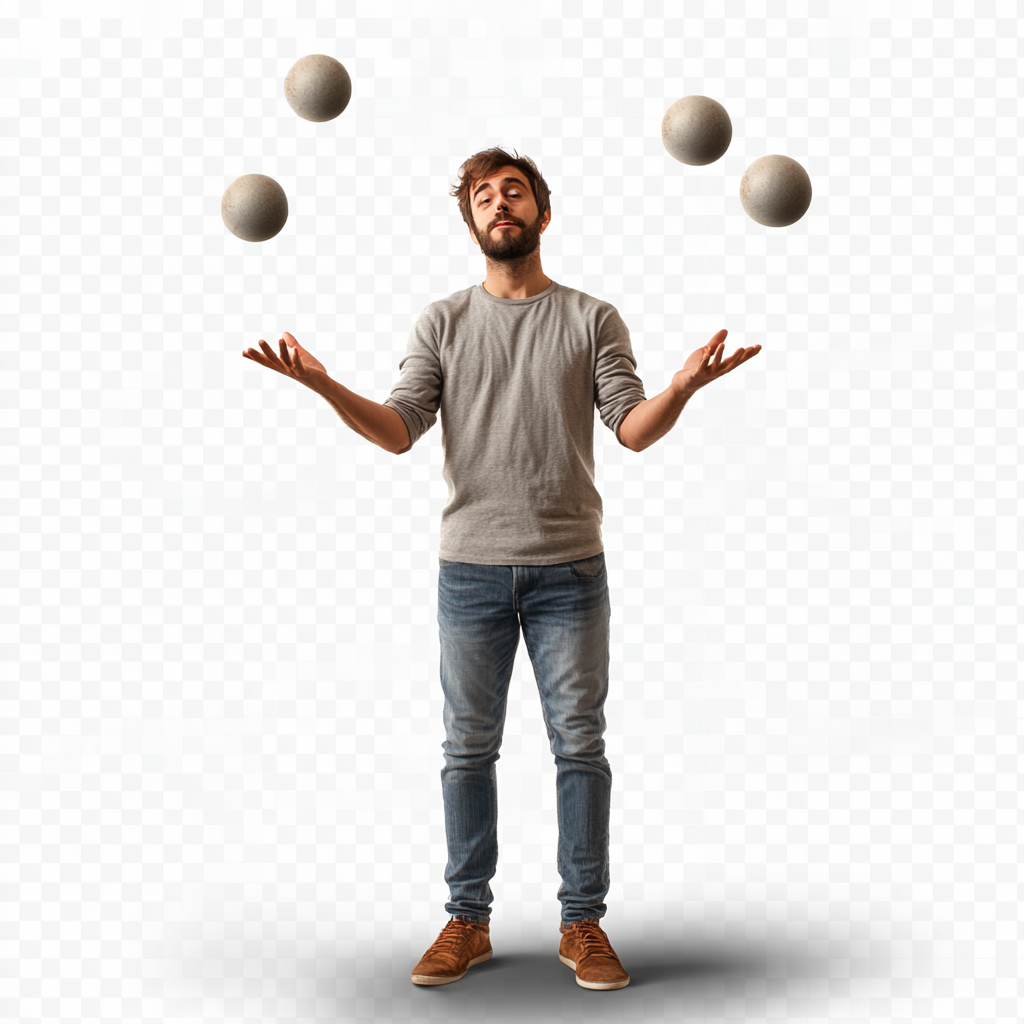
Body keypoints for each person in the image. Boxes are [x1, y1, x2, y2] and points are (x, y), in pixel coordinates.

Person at [242, 148, 761, 991]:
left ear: (542, 214)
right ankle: (468, 922)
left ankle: (582, 922)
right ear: (472, 222)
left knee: (579, 746)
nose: (499, 203)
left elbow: (631, 428)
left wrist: (683, 388)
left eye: (513, 191)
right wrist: (324, 385)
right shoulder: (442, 322)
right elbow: (399, 428)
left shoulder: (592, 318)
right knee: (466, 750)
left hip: (569, 570)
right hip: (470, 572)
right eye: (483, 195)